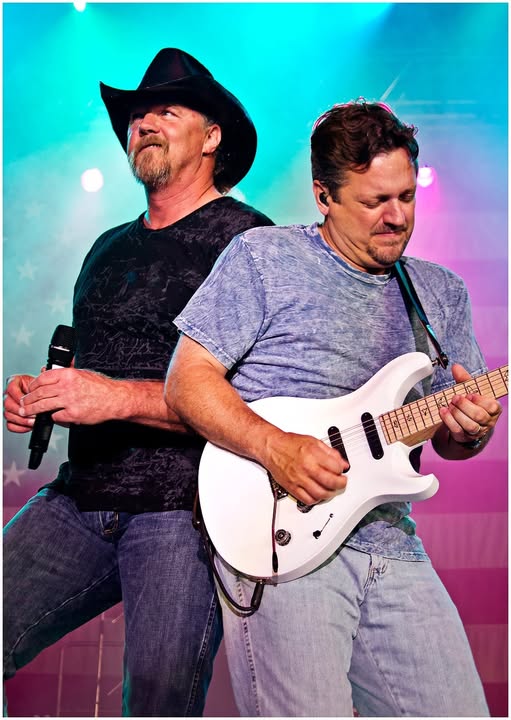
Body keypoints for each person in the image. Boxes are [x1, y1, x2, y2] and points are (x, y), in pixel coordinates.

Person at [165, 99, 503, 717]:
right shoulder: (264, 257)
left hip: (391, 541)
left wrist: (473, 428)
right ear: (323, 196)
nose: (396, 217)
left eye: (406, 197)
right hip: (281, 535)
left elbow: (454, 440)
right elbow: (186, 382)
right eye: (375, 202)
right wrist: (276, 447)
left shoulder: (440, 293)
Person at [3, 47, 273, 717]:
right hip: (77, 499)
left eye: (166, 111)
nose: (144, 123)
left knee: (158, 706)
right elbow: (91, 367)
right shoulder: (106, 247)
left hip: (183, 515)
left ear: (212, 137)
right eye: (136, 115)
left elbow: (263, 402)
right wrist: (42, 394)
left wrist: (112, 396)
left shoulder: (252, 244)